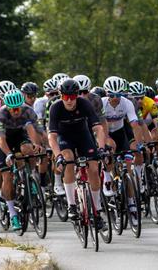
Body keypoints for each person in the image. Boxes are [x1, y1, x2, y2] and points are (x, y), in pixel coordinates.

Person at [48, 79, 107, 229]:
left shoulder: (84, 104)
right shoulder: (56, 107)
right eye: (65, 97)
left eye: (72, 97)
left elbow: (98, 128)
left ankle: (97, 211)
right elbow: (52, 137)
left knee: (94, 168)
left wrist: (101, 148)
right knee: (68, 160)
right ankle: (72, 205)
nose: (69, 100)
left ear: (77, 95)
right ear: (61, 96)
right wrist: (58, 155)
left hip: (83, 136)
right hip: (64, 138)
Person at [0, 89, 41, 231]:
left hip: (20, 136)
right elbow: (1, 139)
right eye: (14, 109)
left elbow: (36, 129)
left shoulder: (27, 110)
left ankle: (30, 175)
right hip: (5, 141)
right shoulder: (2, 113)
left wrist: (38, 146)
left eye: (19, 108)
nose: (17, 111)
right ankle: (13, 214)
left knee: (29, 149)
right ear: (8, 106)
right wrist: (9, 154)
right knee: (7, 177)